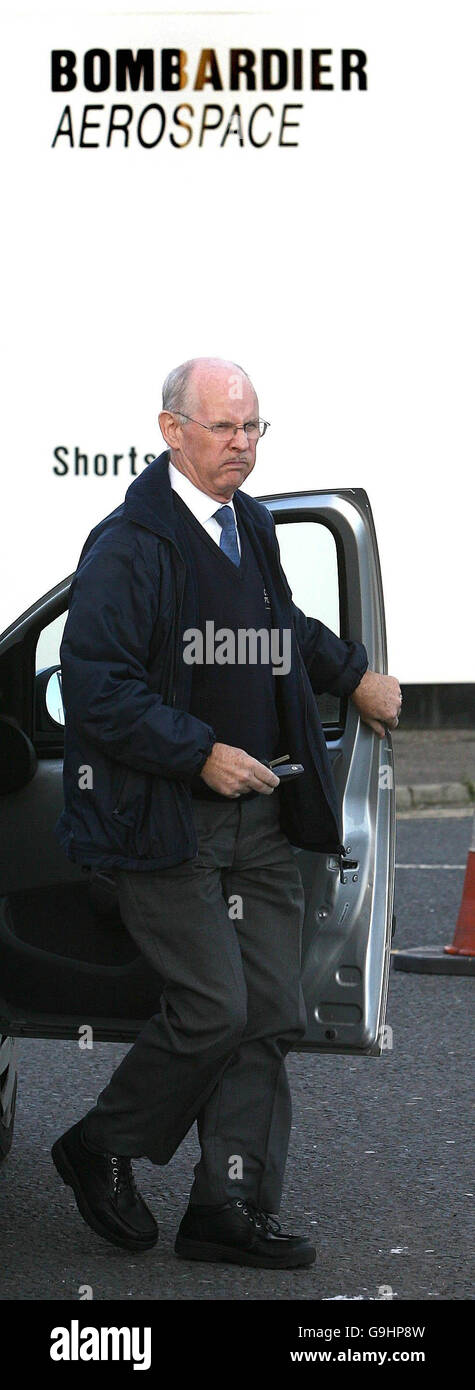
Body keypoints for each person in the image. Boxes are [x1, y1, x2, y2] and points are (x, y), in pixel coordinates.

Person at [52, 357, 401, 1269]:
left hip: (263, 812)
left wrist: (350, 673)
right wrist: (196, 753)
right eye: (222, 429)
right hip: (164, 822)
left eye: (253, 428)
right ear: (172, 430)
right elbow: (97, 694)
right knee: (213, 1010)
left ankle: (226, 1210)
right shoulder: (130, 545)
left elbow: (276, 624)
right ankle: (99, 1144)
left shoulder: (250, 524)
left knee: (269, 1014)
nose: (241, 446)